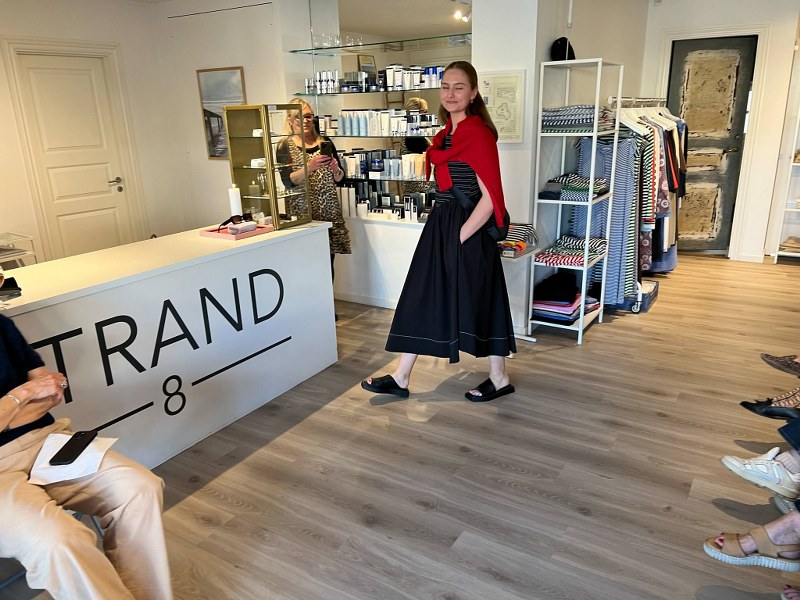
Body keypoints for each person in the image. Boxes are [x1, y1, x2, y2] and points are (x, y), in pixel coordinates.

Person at [361, 60, 516, 402]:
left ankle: (499, 377)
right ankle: (401, 376)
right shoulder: (444, 137)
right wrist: (445, 236)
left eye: (459, 87)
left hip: (467, 232)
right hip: (441, 226)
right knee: (422, 294)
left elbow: (490, 199)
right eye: (445, 87)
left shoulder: (478, 134)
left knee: (483, 298)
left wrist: (458, 239)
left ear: (473, 93)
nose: (450, 93)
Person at [0, 314, 172, 599]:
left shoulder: (1, 325)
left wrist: (8, 414)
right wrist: (23, 394)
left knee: (140, 488)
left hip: (43, 440)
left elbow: (52, 393)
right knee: (60, 540)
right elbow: (36, 388)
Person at [278, 98, 351, 286]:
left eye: (309, 116)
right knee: (305, 262)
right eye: (299, 117)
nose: (305, 121)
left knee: (327, 261)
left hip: (328, 209)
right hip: (302, 211)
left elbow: (340, 179)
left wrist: (336, 169)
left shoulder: (325, 142)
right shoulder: (284, 145)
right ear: (290, 119)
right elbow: (287, 181)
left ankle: (327, 301)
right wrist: (309, 167)